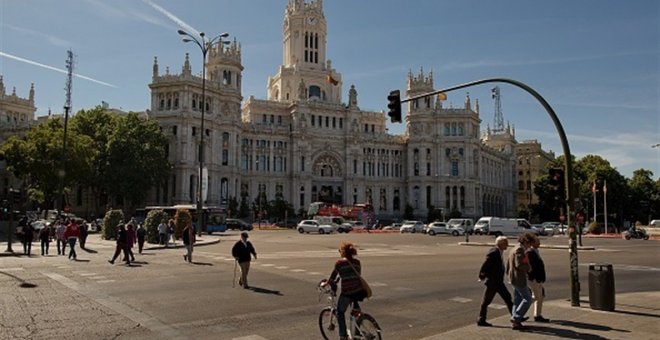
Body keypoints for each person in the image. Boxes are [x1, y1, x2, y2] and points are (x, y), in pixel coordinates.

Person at [326, 241, 367, 340]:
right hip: (359, 291)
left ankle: (343, 336)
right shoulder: (357, 263)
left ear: (343, 252)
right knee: (356, 312)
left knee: (340, 313)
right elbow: (355, 275)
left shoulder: (339, 263)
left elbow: (332, 278)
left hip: (348, 293)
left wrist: (327, 283)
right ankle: (357, 332)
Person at [477, 235, 514, 327]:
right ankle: (481, 319)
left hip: (498, 282)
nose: (507, 245)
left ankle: (516, 317)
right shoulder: (494, 252)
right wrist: (482, 275)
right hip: (493, 282)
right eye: (506, 243)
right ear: (501, 244)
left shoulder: (499, 251)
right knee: (486, 301)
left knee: (508, 298)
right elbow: (486, 264)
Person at [507, 233, 533, 330]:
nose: (529, 246)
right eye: (529, 244)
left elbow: (508, 264)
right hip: (519, 278)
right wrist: (529, 268)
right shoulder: (520, 249)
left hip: (513, 277)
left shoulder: (514, 248)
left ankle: (515, 321)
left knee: (517, 299)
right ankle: (516, 317)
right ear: (526, 242)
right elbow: (519, 265)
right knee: (527, 299)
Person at [527, 234, 550, 322]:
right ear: (532, 243)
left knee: (540, 296)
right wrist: (533, 277)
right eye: (537, 242)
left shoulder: (536, 251)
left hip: (538, 279)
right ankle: (521, 310)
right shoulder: (530, 252)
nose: (539, 243)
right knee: (536, 296)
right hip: (534, 279)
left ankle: (537, 314)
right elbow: (531, 267)